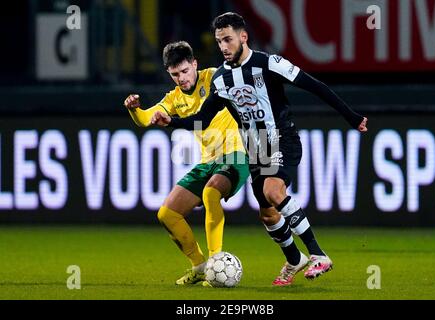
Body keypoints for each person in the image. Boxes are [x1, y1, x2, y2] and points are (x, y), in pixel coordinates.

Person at [152, 13, 369, 286]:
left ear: (243, 37)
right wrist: (172, 121)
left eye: (228, 39)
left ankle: (317, 254)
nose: (223, 46)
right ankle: (294, 259)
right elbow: (203, 120)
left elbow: (315, 86)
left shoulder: (269, 63)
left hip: (281, 137)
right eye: (219, 41)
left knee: (273, 190)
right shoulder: (221, 79)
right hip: (255, 146)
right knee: (267, 212)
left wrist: (352, 117)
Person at [123, 41, 249, 285]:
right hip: (208, 161)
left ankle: (215, 261)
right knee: (167, 214)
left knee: (211, 192)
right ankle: (200, 265)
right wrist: (135, 110)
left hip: (237, 154)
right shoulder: (174, 98)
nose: (181, 79)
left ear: (194, 64)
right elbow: (147, 118)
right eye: (174, 75)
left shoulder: (213, 77)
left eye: (184, 71)